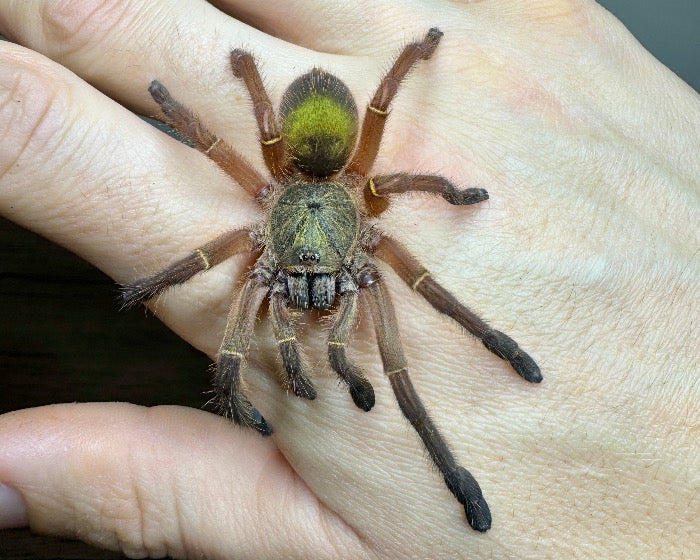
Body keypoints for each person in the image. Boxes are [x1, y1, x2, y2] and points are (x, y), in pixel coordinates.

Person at [0, 1, 697, 558]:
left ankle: (459, 449)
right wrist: (224, 89)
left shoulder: (368, 200)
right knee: (275, 326)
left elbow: (388, 122)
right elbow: (212, 148)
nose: (306, 288)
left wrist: (444, 181)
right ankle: (427, 426)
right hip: (302, 196)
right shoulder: (266, 232)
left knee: (405, 360)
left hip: (332, 204)